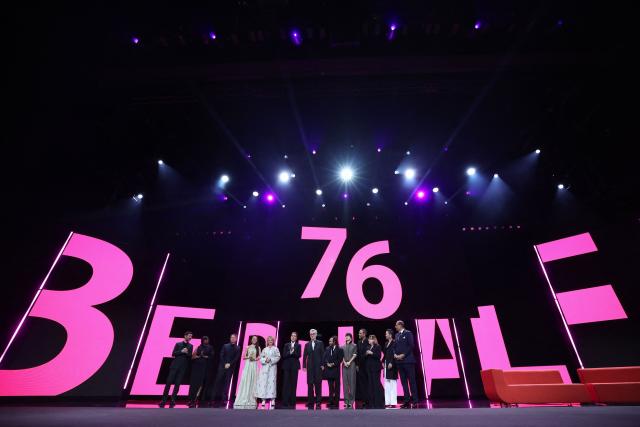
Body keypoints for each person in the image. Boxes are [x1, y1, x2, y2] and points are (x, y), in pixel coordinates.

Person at [159, 331, 193, 408]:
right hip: (174, 366)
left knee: (177, 384)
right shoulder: (178, 344)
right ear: (185, 336)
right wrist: (181, 351)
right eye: (189, 336)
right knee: (168, 383)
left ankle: (173, 400)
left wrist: (187, 353)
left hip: (183, 367)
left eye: (191, 336)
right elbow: (173, 353)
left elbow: (190, 356)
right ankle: (163, 400)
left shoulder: (190, 346)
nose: (190, 337)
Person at [211, 333, 241, 407]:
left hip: (230, 368)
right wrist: (225, 363)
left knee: (227, 384)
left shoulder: (238, 348)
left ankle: (224, 399)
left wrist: (229, 364)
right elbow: (221, 355)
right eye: (231, 337)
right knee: (217, 382)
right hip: (222, 366)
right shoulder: (225, 346)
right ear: (230, 338)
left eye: (234, 337)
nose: (232, 339)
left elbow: (236, 358)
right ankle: (212, 398)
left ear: (236, 339)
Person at [394, 320, 419, 408]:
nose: (395, 327)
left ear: (400, 325)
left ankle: (415, 401)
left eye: (396, 325)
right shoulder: (396, 335)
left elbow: (411, 345)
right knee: (404, 382)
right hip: (399, 362)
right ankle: (406, 401)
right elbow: (394, 347)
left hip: (408, 361)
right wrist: (395, 355)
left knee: (412, 381)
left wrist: (403, 355)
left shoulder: (408, 333)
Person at [233, 336, 261, 409]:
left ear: (257, 340)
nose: (254, 340)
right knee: (246, 380)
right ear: (251, 340)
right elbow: (243, 357)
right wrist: (249, 357)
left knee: (253, 381)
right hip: (248, 365)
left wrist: (254, 358)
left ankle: (251, 399)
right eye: (253, 339)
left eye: (255, 339)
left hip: (254, 365)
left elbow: (259, 357)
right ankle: (243, 397)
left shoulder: (258, 348)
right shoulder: (247, 347)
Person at [188, 335, 214, 408]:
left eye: (207, 339)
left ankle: (197, 399)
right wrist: (197, 356)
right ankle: (191, 399)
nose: (206, 341)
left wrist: (206, 357)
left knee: (201, 384)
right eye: (204, 339)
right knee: (194, 383)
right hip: (197, 367)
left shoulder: (210, 347)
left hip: (205, 367)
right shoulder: (199, 347)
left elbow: (212, 356)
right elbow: (193, 356)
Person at [255, 336, 281, 409]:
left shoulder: (276, 349)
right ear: (267, 341)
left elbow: (278, 357)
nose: (270, 341)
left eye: (271, 340)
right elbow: (261, 358)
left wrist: (271, 360)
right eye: (269, 340)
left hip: (272, 368)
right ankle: (263, 399)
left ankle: (272, 399)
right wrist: (264, 360)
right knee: (264, 383)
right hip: (264, 369)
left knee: (272, 383)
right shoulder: (264, 349)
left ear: (273, 341)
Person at [302, 329, 325, 409]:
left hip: (318, 367)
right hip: (310, 367)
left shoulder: (320, 343)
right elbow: (305, 356)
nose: (312, 335)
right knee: (310, 385)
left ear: (316, 334)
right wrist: (304, 366)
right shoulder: (307, 344)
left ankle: (318, 402)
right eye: (311, 334)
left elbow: (323, 355)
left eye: (313, 334)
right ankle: (310, 401)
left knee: (318, 384)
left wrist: (323, 364)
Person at [280, 331, 301, 409]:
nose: (293, 337)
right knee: (286, 384)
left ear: (296, 337)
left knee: (293, 384)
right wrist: (290, 352)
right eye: (292, 336)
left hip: (295, 366)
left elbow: (299, 355)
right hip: (286, 366)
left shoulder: (298, 345)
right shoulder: (286, 345)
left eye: (295, 336)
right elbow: (284, 355)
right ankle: (285, 401)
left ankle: (292, 401)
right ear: (290, 337)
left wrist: (293, 352)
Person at [364, 334, 385, 409]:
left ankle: (378, 401)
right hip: (369, 368)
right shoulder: (368, 347)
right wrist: (366, 354)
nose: (369, 340)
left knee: (376, 384)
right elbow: (365, 356)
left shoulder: (378, 346)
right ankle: (372, 401)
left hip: (376, 368)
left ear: (374, 340)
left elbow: (379, 356)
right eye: (369, 339)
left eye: (370, 339)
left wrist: (371, 353)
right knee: (371, 384)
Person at [323, 336, 343, 409]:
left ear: (334, 341)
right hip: (329, 370)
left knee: (337, 387)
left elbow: (340, 359)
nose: (329, 342)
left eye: (331, 341)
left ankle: (336, 402)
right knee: (330, 387)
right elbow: (324, 357)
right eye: (329, 341)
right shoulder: (327, 348)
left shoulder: (340, 349)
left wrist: (333, 364)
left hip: (336, 370)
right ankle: (330, 401)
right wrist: (327, 363)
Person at [341, 332, 357, 409]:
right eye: (346, 336)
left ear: (351, 337)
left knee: (352, 383)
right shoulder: (342, 346)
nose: (347, 337)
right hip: (344, 366)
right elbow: (342, 356)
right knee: (345, 384)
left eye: (348, 336)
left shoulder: (354, 345)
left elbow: (355, 355)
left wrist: (349, 362)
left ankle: (351, 401)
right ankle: (346, 401)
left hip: (351, 365)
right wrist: (344, 362)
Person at [383, 329, 398, 408]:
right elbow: (385, 354)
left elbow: (395, 353)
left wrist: (392, 362)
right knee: (387, 383)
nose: (385, 335)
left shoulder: (395, 342)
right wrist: (383, 361)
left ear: (390, 335)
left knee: (392, 383)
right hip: (386, 364)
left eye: (386, 334)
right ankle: (387, 402)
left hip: (392, 365)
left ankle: (393, 402)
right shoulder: (386, 343)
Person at [355, 328, 369, 409]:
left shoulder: (368, 341)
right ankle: (364, 400)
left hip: (366, 365)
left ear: (364, 334)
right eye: (359, 333)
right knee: (362, 384)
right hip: (360, 366)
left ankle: (369, 399)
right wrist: (357, 364)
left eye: (360, 333)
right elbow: (357, 353)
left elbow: (366, 353)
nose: (359, 334)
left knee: (368, 383)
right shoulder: (359, 342)